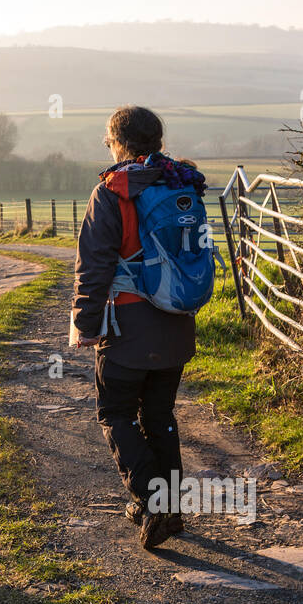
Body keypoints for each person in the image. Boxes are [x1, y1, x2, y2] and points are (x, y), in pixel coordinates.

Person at [72, 106, 206, 550]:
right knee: (160, 415)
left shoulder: (112, 192)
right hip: (176, 323)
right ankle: (170, 506)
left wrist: (85, 323)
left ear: (118, 143)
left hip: (127, 326)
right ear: (158, 142)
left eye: (109, 141)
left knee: (116, 413)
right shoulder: (183, 184)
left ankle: (154, 502)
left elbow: (94, 267)